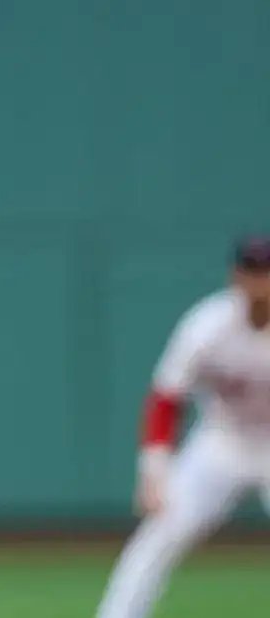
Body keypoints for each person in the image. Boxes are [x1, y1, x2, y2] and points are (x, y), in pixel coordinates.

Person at [95, 235, 270, 618]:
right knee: (157, 535)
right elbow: (166, 397)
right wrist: (153, 471)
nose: (261, 282)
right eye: (253, 271)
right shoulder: (209, 324)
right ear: (236, 276)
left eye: (267, 272)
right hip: (223, 441)